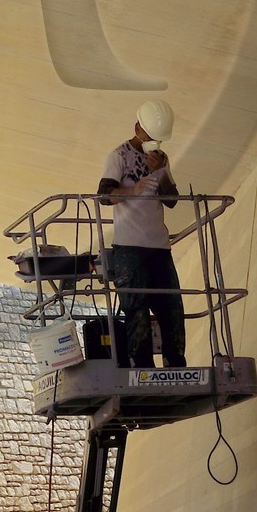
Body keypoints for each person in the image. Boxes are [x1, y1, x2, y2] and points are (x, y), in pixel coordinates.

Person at [98, 99, 185, 369]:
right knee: (136, 309)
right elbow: (103, 195)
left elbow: (171, 200)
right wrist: (133, 192)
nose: (155, 143)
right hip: (129, 246)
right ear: (138, 128)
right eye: (151, 136)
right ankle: (142, 368)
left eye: (159, 139)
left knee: (171, 308)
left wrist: (160, 171)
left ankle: (175, 364)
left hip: (159, 245)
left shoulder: (162, 160)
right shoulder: (119, 156)